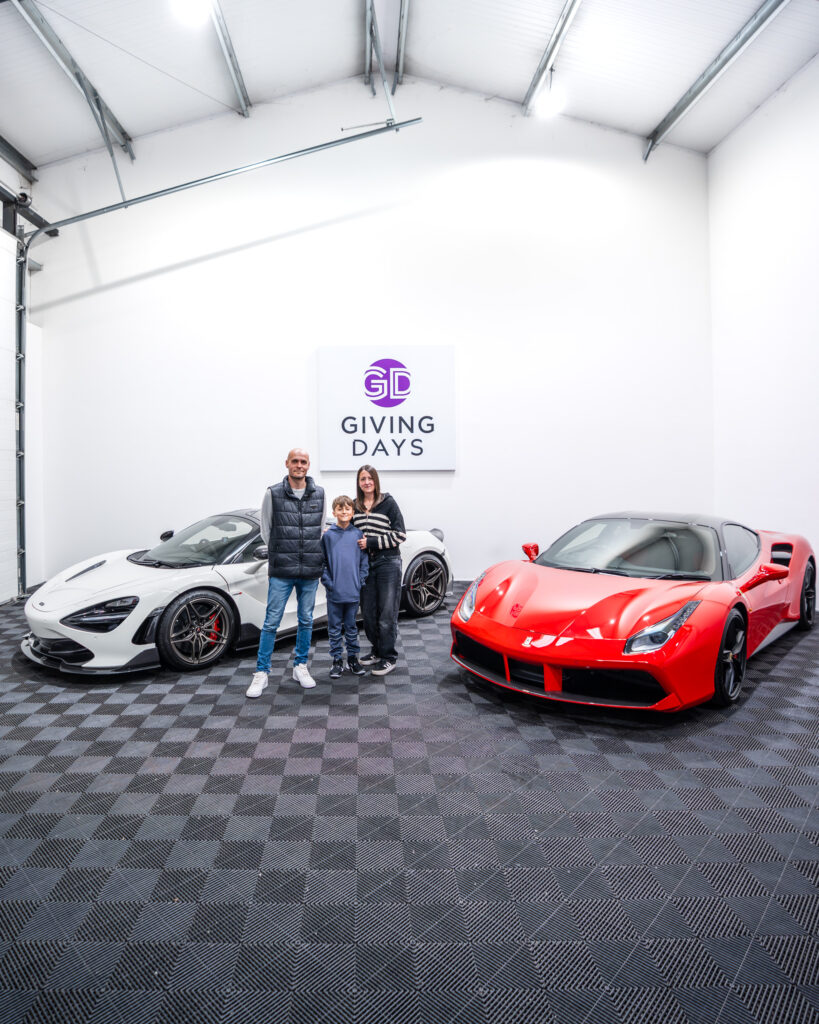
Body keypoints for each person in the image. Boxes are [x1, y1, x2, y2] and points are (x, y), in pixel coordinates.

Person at [247, 448, 325, 698]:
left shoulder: (320, 493)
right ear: (287, 464)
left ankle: (300, 666)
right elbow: (266, 530)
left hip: (310, 568)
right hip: (282, 569)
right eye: (295, 461)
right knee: (271, 621)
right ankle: (262, 672)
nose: (299, 465)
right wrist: (281, 552)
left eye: (303, 462)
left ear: (308, 465)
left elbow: (319, 529)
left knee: (306, 620)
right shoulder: (273, 493)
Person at [352, 465, 406, 676]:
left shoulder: (388, 503)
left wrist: (371, 542)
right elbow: (350, 532)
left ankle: (388, 657)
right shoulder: (355, 506)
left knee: (386, 613)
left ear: (376, 480)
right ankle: (376, 650)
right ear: (358, 482)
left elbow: (400, 535)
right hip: (366, 565)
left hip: (387, 563)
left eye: (370, 478)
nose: (367, 482)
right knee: (368, 613)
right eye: (363, 479)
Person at [321, 495, 369, 679]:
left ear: (352, 512)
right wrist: (329, 583)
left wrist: (360, 581)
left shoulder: (358, 535)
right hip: (334, 592)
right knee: (334, 628)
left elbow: (364, 562)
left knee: (351, 627)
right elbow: (322, 563)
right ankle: (336, 660)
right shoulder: (328, 536)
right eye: (340, 509)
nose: (344, 512)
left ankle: (353, 659)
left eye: (347, 509)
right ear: (334, 513)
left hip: (353, 590)